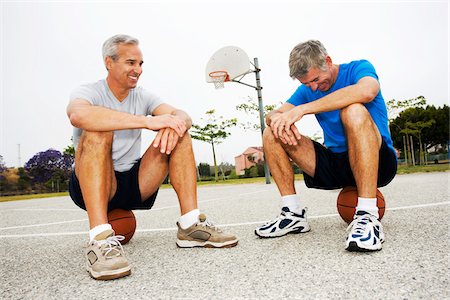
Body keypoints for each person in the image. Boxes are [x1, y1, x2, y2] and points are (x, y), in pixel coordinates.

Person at [67, 34, 238, 280]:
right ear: (109, 62)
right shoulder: (88, 92)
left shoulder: (144, 96)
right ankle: (100, 240)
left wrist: (173, 122)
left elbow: (183, 115)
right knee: (97, 131)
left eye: (140, 63)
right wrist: (148, 122)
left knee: (179, 131)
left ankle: (190, 225)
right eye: (130, 63)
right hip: (92, 182)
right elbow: (78, 116)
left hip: (134, 181)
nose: (138, 69)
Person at [254, 40, 397, 252]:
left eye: (315, 79)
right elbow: (273, 114)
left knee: (353, 110)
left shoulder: (359, 68)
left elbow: (366, 91)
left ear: (327, 62)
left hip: (377, 160)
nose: (312, 87)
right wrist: (278, 120)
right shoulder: (308, 90)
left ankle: (368, 215)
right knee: (271, 132)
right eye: (306, 84)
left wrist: (302, 110)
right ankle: (293, 214)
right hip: (336, 163)